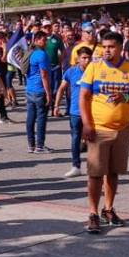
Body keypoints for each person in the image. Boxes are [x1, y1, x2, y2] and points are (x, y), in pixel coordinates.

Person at [79, 31, 129, 234]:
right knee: (95, 174)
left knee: (113, 173)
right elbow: (84, 97)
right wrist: (87, 125)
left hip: (122, 130)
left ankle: (108, 209)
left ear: (120, 47)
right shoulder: (94, 67)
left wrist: (125, 97)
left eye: (111, 46)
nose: (107, 50)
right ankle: (93, 213)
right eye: (104, 46)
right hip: (99, 129)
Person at [55, 47, 92, 178]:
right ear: (78, 59)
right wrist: (56, 106)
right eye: (84, 58)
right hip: (75, 112)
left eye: (89, 58)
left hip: (92, 112)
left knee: (94, 140)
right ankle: (76, 166)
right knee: (75, 139)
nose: (87, 60)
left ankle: (94, 166)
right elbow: (61, 89)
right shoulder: (71, 72)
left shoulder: (95, 72)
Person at [24, 31, 52, 154]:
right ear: (37, 40)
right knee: (41, 118)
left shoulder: (31, 53)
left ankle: (31, 145)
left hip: (29, 89)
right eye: (43, 40)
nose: (45, 42)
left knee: (30, 118)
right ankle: (39, 146)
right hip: (39, 90)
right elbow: (44, 75)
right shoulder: (41, 54)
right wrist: (48, 93)